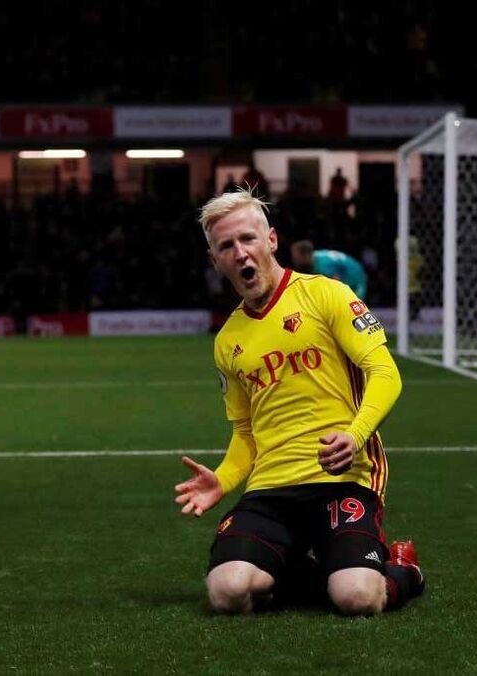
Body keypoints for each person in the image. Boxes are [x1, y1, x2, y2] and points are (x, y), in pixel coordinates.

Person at [175, 189, 424, 616]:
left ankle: (402, 571)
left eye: (248, 238)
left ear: (271, 240)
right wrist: (223, 479)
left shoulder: (327, 294)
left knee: (357, 597)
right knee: (227, 593)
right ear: (215, 260)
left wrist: (355, 435)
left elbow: (385, 373)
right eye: (226, 246)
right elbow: (245, 432)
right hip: (271, 489)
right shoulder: (227, 341)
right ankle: (323, 566)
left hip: (342, 479)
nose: (240, 253)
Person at [289, 239, 368, 299]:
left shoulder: (322, 266)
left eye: (296, 258)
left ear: (305, 255)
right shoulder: (315, 258)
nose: (294, 261)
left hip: (356, 279)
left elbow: (337, 285)